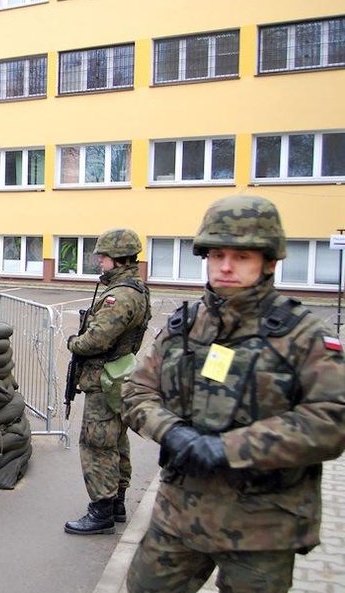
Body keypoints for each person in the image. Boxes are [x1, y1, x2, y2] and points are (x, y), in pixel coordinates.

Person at [122, 195, 345, 593]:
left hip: (262, 529)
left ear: (269, 262)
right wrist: (172, 431)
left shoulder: (301, 334)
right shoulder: (184, 326)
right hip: (180, 515)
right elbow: (137, 391)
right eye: (217, 254)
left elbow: (331, 420)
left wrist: (230, 448)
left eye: (241, 257)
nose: (225, 267)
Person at [63, 228, 151, 536]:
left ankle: (101, 510)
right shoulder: (135, 288)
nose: (100, 262)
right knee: (116, 440)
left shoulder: (120, 295)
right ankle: (116, 503)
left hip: (104, 377)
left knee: (97, 443)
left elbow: (96, 340)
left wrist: (74, 342)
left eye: (103, 257)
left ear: (118, 258)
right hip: (118, 374)